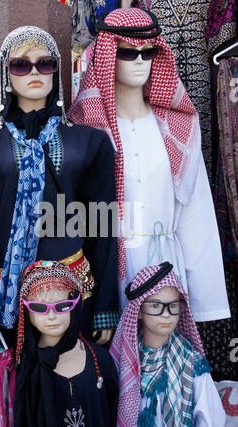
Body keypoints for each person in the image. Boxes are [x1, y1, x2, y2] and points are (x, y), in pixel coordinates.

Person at [0, 26, 120, 363]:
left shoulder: (91, 143)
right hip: (10, 298)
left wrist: (105, 305)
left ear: (56, 72)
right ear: (6, 73)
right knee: (20, 387)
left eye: (44, 64)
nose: (33, 72)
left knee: (73, 386)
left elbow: (103, 229)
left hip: (75, 297)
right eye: (20, 65)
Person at [68, 8, 230, 322]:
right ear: (108, 55)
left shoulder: (179, 125)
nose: (141, 61)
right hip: (109, 268)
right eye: (128, 52)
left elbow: (195, 216)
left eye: (149, 51)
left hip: (167, 268)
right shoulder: (86, 128)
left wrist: (204, 300)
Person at [110, 261, 226, 427]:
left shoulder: (192, 362)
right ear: (139, 310)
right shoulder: (123, 360)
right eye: (155, 306)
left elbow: (210, 424)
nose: (166, 314)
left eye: (173, 306)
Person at [13, 260, 119, 427]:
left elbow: (110, 422)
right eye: (39, 307)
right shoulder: (24, 368)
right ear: (27, 310)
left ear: (76, 306)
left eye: (62, 306)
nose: (51, 315)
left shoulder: (100, 360)